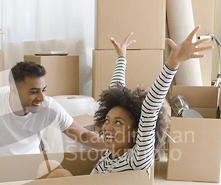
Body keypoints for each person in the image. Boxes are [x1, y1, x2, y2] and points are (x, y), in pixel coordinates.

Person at [91, 26, 212, 174]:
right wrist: (121, 58)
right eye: (107, 120)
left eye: (118, 123)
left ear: (135, 132)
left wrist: (173, 63)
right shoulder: (111, 153)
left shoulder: (137, 159)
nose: (107, 128)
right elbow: (115, 91)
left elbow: (150, 107)